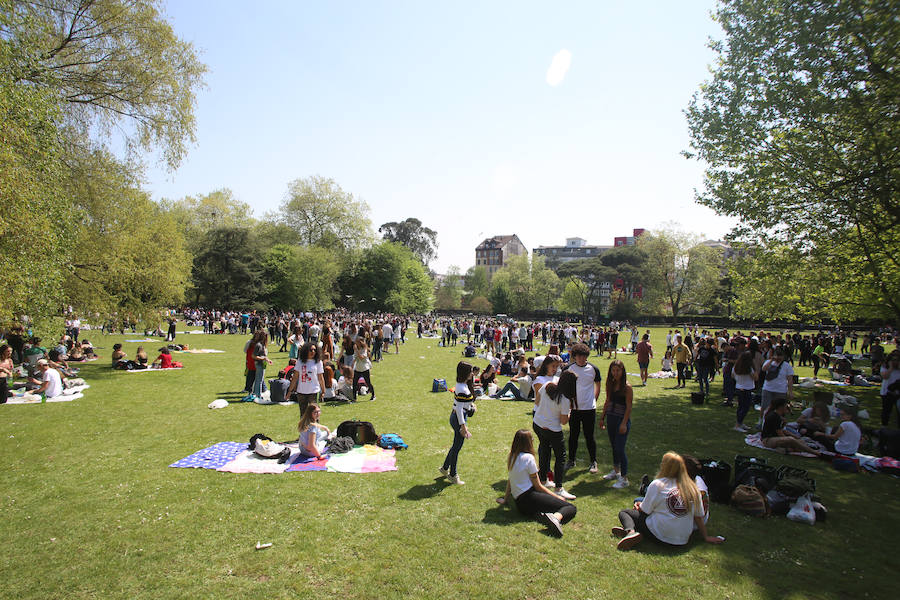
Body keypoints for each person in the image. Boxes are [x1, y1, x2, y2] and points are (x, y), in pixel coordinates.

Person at [613, 452, 723, 551]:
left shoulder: (658, 484)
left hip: (661, 537)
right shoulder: (693, 488)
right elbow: (698, 517)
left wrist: (639, 506)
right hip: (682, 540)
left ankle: (630, 532)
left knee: (625, 512)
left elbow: (645, 511)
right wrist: (706, 537)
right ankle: (632, 531)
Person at [496, 429, 577, 538]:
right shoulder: (528, 458)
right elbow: (538, 486)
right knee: (570, 507)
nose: (533, 440)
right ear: (528, 442)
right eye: (532, 438)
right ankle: (555, 518)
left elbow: (511, 480)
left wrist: (505, 499)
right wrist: (557, 497)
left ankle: (542, 515)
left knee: (545, 504)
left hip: (520, 504)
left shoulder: (511, 456)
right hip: (529, 497)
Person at [533, 370, 576, 500]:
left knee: (545, 450)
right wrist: (569, 412)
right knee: (560, 456)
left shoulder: (547, 385)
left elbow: (537, 402)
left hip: (538, 423)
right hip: (552, 429)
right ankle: (558, 488)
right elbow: (563, 421)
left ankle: (543, 480)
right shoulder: (565, 400)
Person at [564, 343, 602, 474]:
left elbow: (598, 386)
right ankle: (571, 460)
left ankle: (593, 461)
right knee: (573, 436)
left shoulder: (593, 369)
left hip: (589, 409)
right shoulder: (568, 369)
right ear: (574, 356)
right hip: (574, 409)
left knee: (589, 436)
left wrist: (594, 400)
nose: (581, 359)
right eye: (578, 356)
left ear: (587, 356)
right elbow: (564, 388)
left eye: (584, 356)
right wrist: (567, 404)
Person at [440, 361, 477, 485]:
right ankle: (453, 475)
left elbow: (462, 405)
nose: (472, 373)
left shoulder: (463, 384)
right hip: (458, 418)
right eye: (471, 371)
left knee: (455, 445)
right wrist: (463, 426)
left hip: (457, 416)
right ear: (465, 373)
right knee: (456, 448)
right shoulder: (461, 388)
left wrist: (471, 406)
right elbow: (460, 409)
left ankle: (445, 468)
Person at [600, 359, 633, 488]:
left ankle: (624, 478)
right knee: (614, 446)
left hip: (621, 419)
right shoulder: (610, 383)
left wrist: (624, 423)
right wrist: (602, 417)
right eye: (613, 370)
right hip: (611, 418)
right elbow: (607, 401)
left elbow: (629, 407)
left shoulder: (627, 387)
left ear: (622, 371)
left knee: (620, 448)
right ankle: (616, 470)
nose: (615, 373)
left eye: (618, 370)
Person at [759, 347, 794, 427]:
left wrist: (790, 391)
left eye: (780, 356)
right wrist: (771, 360)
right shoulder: (769, 362)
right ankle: (761, 421)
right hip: (768, 388)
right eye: (776, 356)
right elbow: (764, 369)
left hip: (780, 390)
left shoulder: (787, 366)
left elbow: (790, 379)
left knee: (780, 408)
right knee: (764, 406)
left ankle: (779, 423)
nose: (778, 358)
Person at [287, 342, 326, 413]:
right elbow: (295, 377)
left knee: (314, 413)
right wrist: (290, 391)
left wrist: (323, 390)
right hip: (301, 392)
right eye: (311, 350)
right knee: (303, 414)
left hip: (314, 391)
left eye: (314, 350)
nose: (313, 352)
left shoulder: (318, 362)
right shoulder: (300, 361)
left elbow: (320, 377)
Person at [732, 350, 757, 432]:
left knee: (740, 407)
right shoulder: (749, 368)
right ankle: (738, 424)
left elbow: (732, 375)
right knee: (745, 407)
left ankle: (740, 422)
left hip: (739, 387)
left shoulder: (736, 366)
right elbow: (755, 378)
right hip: (747, 388)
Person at [879, 351, 900, 426]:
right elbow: (885, 376)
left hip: (898, 392)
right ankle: (884, 426)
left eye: (897, 360)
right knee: (886, 411)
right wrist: (891, 368)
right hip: (887, 392)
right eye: (893, 360)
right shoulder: (885, 367)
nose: (895, 362)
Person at [251, 331, 273, 399]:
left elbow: (263, 355)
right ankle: (258, 394)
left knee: (259, 379)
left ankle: (255, 392)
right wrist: (262, 358)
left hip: (262, 363)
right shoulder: (258, 345)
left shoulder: (262, 345)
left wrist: (267, 359)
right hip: (259, 364)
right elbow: (254, 356)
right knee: (259, 380)